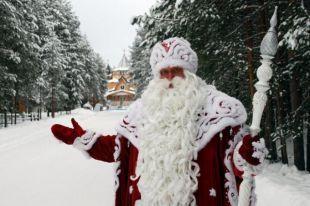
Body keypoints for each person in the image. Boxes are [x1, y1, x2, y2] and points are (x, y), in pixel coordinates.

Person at [51, 37, 267, 206]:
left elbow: (238, 161)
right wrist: (84, 140)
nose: (170, 77)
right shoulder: (141, 112)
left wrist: (245, 156)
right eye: (164, 72)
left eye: (176, 70)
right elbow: (119, 149)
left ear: (190, 73)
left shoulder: (219, 113)